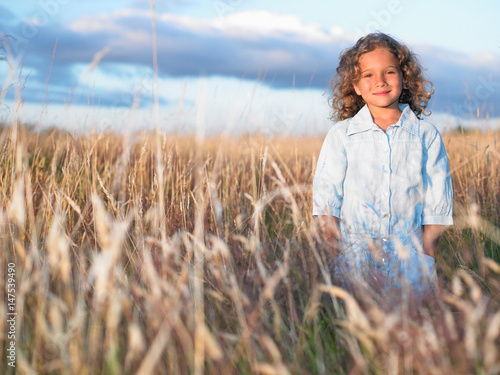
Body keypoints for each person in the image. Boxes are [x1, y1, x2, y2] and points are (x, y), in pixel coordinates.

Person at [312, 32, 453, 310]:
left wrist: (426, 260)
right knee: (355, 331)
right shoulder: (342, 135)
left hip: (410, 262)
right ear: (356, 86)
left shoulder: (425, 135)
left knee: (409, 329)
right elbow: (328, 199)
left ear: (404, 77)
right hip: (354, 260)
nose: (380, 81)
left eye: (389, 72)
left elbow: (437, 204)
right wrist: (333, 258)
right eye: (368, 75)